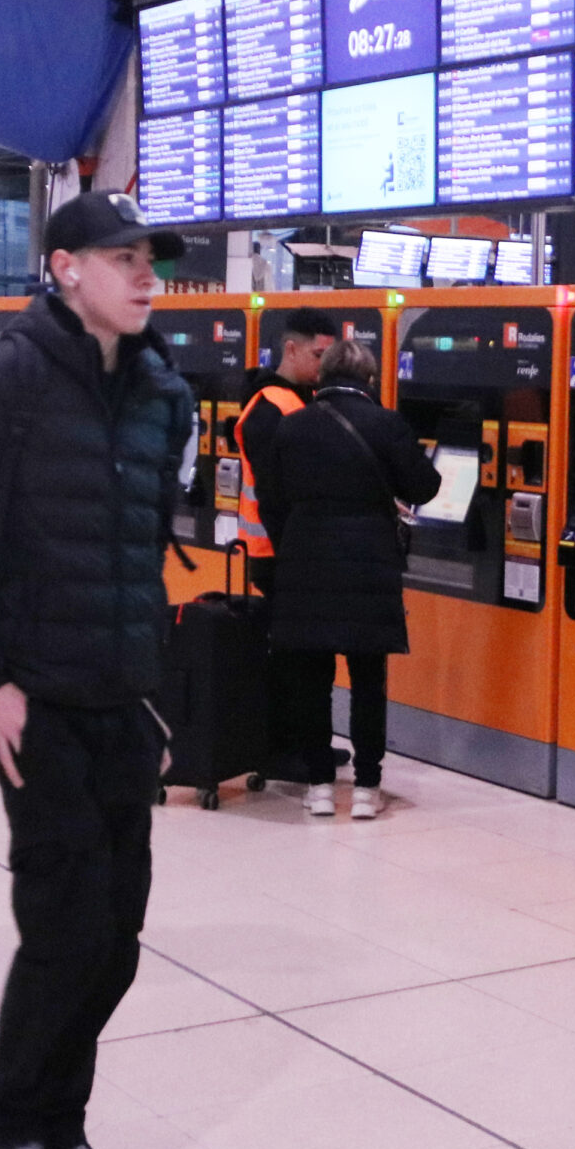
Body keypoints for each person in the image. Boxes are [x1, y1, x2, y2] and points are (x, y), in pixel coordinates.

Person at [0, 189, 194, 1149]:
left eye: (151, 259)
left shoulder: (161, 390)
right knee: (67, 922)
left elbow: (138, 546)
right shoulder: (8, 379)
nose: (147, 276)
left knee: (115, 935)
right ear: (66, 269)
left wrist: (150, 680)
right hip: (33, 700)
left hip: (121, 696)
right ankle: (4, 1125)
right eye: (124, 258)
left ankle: (55, 1128)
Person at [255, 334, 439, 822]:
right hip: (368, 563)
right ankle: (366, 789)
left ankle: (319, 786)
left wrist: (295, 539)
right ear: (369, 378)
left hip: (305, 562)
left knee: (312, 680)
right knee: (367, 679)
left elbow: (270, 497)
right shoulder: (386, 423)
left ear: (322, 375)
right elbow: (426, 485)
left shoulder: (293, 426)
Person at [233, 307, 342, 814]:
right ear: (291, 349)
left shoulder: (298, 400)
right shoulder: (271, 407)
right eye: (319, 355)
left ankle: (307, 743)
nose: (325, 366)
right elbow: (276, 493)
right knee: (295, 656)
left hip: (290, 550)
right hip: (277, 553)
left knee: (306, 653)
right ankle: (284, 751)